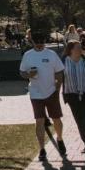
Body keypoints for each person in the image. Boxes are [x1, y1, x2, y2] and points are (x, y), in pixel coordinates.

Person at [20, 31, 67, 162]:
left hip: (51, 92)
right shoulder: (28, 55)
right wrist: (29, 75)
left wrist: (57, 88)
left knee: (56, 119)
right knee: (39, 121)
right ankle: (42, 149)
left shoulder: (51, 55)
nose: (40, 45)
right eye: (37, 42)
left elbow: (59, 72)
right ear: (33, 42)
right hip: (35, 93)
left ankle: (60, 139)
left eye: (42, 42)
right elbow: (22, 72)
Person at [63, 40, 85, 158]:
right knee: (80, 121)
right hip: (72, 96)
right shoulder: (63, 61)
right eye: (77, 48)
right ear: (70, 49)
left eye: (80, 47)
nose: (80, 49)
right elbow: (57, 76)